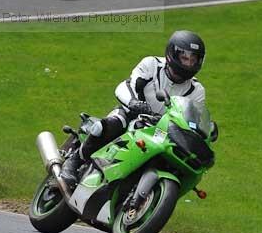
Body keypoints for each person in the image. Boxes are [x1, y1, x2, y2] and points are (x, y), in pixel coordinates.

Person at [61, 30, 207, 186]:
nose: (189, 63)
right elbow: (126, 85)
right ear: (173, 54)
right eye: (185, 58)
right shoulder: (152, 64)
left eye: (193, 59)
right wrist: (133, 103)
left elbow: (192, 119)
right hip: (132, 115)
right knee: (110, 124)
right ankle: (74, 161)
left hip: (162, 131)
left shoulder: (197, 90)